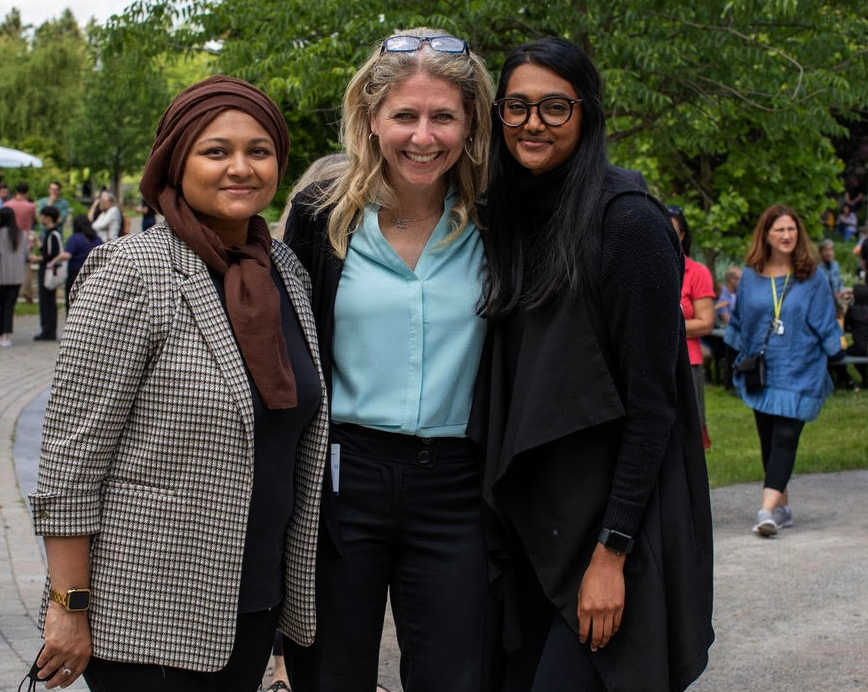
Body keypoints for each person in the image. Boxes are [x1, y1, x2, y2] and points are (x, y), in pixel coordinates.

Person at [29, 75, 329, 692]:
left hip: (254, 600)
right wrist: (67, 603)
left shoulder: (287, 275)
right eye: (216, 151)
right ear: (176, 162)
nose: (240, 168)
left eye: (259, 150)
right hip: (146, 614)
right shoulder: (133, 273)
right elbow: (70, 457)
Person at [468, 37, 713, 692]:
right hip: (533, 522)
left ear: (587, 113)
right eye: (516, 107)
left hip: (610, 531)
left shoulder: (628, 223)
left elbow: (654, 404)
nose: (532, 123)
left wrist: (613, 552)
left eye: (554, 106)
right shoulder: (510, 222)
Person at [283, 28, 495, 692]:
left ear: (470, 124)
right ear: (371, 120)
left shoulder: (497, 224)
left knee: (456, 676)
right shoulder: (322, 219)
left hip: (457, 484)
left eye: (443, 117)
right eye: (405, 115)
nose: (423, 136)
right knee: (330, 674)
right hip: (347, 478)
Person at [724, 204, 843, 536]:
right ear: (766, 235)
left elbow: (824, 320)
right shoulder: (749, 276)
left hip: (801, 369)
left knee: (786, 436)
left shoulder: (812, 278)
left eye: (792, 229)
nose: (787, 235)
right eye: (780, 229)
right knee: (769, 441)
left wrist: (837, 350)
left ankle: (765, 510)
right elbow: (740, 322)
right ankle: (783, 508)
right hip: (764, 371)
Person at [668, 206, 715, 448]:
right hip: (653, 361)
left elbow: (706, 323)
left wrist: (664, 325)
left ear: (683, 235)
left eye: (671, 229)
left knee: (689, 432)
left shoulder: (696, 272)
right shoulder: (643, 267)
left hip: (687, 360)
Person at [46, 214, 103, 309]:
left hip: (76, 274)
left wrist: (54, 261)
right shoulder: (97, 239)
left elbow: (68, 254)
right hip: (94, 274)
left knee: (73, 304)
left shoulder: (75, 238)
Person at [31, 205, 63, 340]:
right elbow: (47, 251)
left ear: (48, 218)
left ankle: (48, 331)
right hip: (47, 269)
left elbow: (53, 254)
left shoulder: (53, 234)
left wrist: (39, 258)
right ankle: (47, 329)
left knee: (47, 300)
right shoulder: (50, 233)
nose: (41, 219)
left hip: (49, 270)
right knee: (45, 300)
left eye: (43, 216)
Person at [4, 182, 37, 303]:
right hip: (25, 238)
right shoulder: (30, 206)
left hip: (7, 238)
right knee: (27, 268)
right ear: (26, 192)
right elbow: (33, 220)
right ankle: (28, 293)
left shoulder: (7, 204)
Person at [0, 207, 25, 347]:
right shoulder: (22, 234)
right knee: (9, 306)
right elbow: (26, 253)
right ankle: (5, 336)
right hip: (16, 276)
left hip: (1, 275)